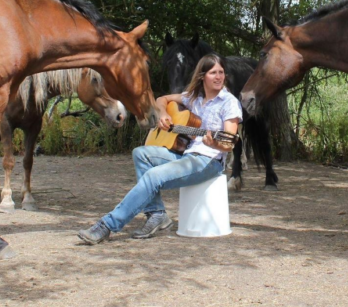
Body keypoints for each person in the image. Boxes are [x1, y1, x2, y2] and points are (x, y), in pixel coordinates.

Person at [78, 53, 243, 244]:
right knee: (141, 154)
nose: (219, 77)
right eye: (213, 73)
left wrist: (214, 143)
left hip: (209, 161)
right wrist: (164, 114)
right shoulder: (194, 98)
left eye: (221, 72)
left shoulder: (229, 102)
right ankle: (157, 214)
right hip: (188, 156)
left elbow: (228, 143)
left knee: (153, 176)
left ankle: (107, 226)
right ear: (202, 76)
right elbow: (161, 99)